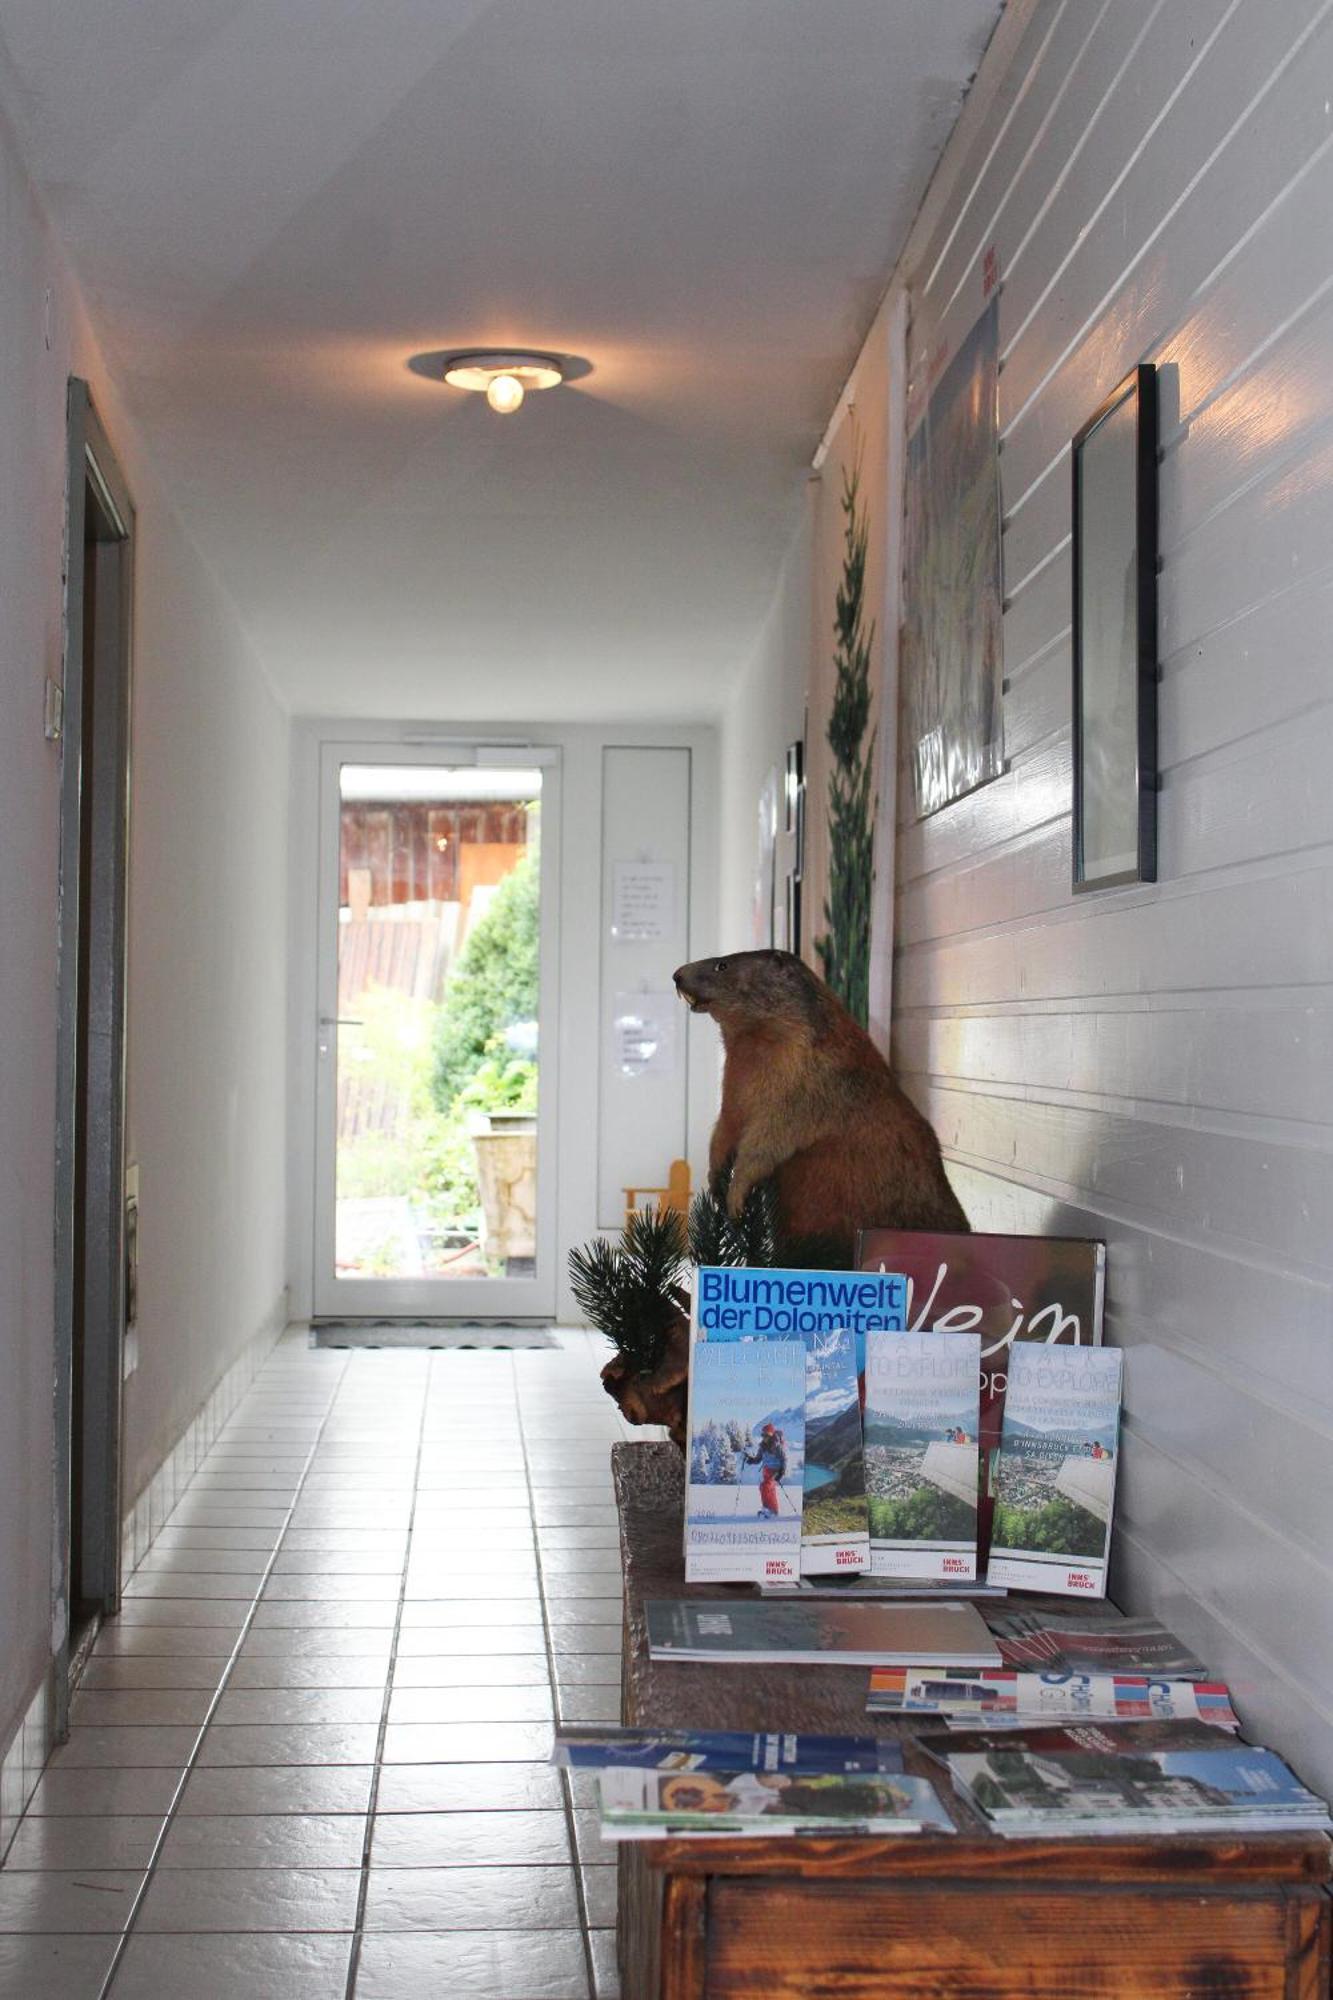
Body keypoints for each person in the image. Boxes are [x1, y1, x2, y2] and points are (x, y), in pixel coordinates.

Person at [744, 1422, 787, 1517]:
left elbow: (784, 1459)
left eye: (766, 1435)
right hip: (766, 1470)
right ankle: (770, 1509)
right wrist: (751, 1460)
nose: (764, 1437)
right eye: (762, 1435)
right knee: (767, 1489)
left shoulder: (777, 1446)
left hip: (775, 1471)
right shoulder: (762, 1446)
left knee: (765, 1487)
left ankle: (770, 1510)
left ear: (771, 1435)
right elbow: (758, 1459)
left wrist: (781, 1472)